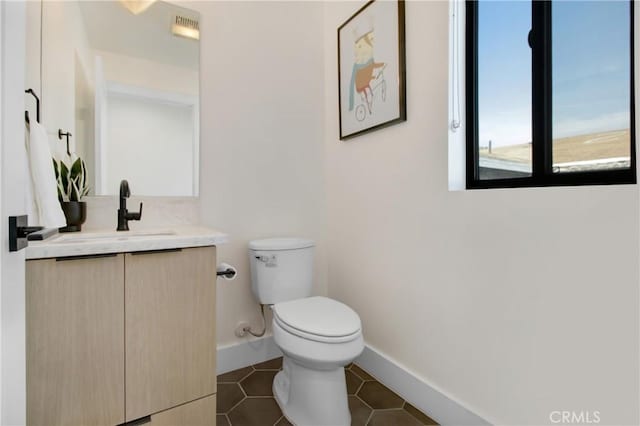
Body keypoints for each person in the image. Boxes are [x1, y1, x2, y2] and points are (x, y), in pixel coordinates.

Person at [349, 21, 385, 113]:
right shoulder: (360, 65)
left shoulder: (369, 61)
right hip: (361, 85)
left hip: (366, 82)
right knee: (367, 95)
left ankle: (370, 108)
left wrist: (383, 65)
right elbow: (360, 77)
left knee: (370, 94)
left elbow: (374, 66)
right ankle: (368, 108)